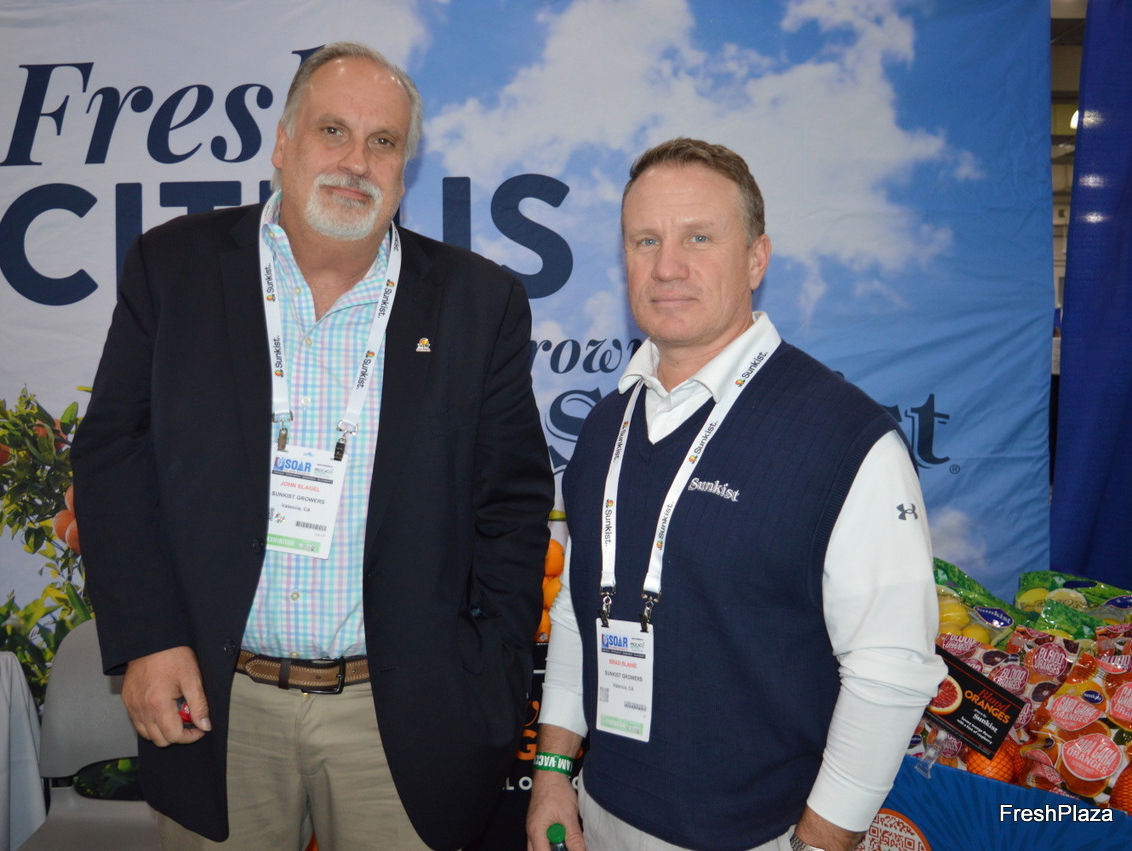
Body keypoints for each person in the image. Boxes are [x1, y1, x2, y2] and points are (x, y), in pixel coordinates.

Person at [72, 41, 554, 851]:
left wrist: (491, 680)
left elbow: (512, 506)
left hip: (403, 722)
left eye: (382, 141)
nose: (355, 162)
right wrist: (148, 638)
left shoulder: (480, 301)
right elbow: (113, 457)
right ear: (284, 142)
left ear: (405, 168)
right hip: (217, 706)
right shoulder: (174, 267)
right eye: (333, 131)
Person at [524, 138, 945, 851]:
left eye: (699, 237)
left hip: (761, 835)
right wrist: (554, 769)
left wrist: (817, 844)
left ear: (756, 259)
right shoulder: (603, 427)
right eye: (646, 240)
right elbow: (576, 608)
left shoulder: (846, 438)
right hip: (599, 814)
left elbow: (892, 672)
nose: (667, 266)